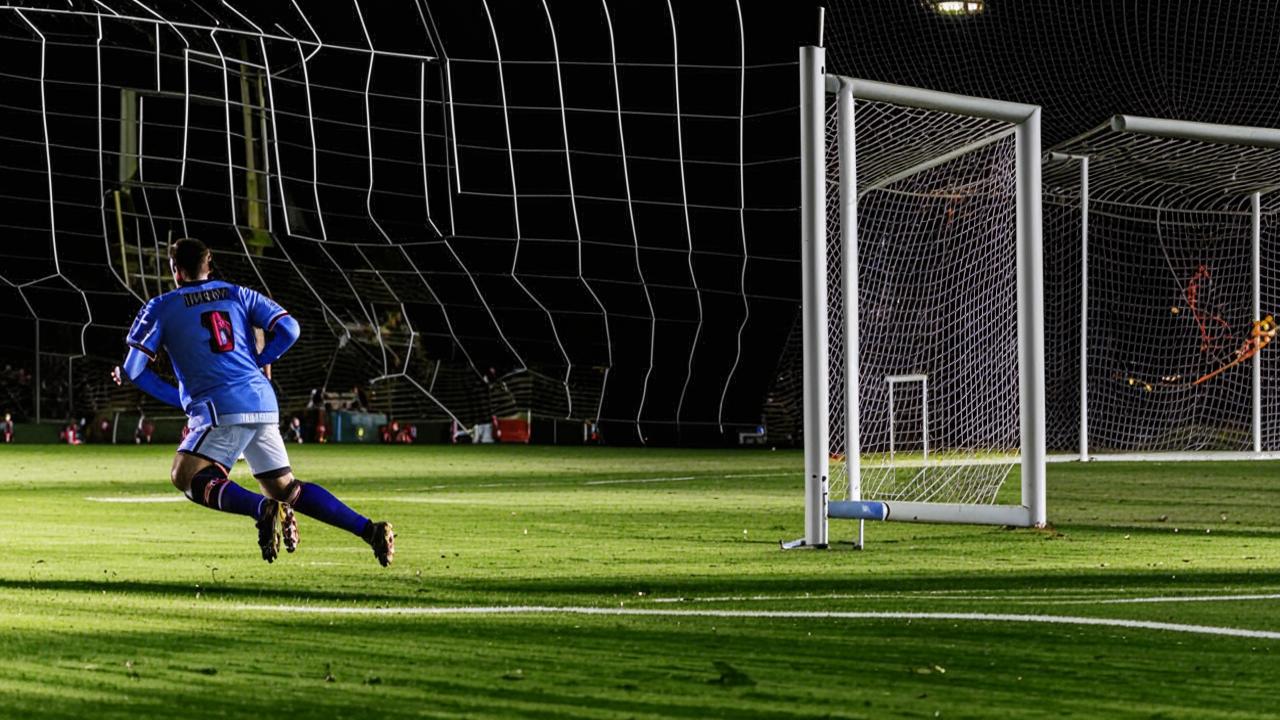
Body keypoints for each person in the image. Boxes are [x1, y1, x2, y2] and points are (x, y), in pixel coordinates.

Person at [114, 238, 394, 566]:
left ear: (175, 271)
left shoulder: (161, 306)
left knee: (185, 475)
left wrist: (180, 400)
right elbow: (290, 328)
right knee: (286, 488)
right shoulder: (238, 293)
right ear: (209, 264)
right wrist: (260, 358)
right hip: (262, 398)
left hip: (221, 406)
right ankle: (369, 530)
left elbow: (134, 370)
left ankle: (260, 509)